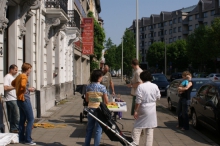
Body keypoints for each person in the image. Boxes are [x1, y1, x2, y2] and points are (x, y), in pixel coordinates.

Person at [132, 70, 161, 146]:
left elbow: (138, 100)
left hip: (143, 107)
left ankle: (134, 144)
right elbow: (158, 97)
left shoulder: (141, 87)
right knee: (149, 130)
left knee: (137, 128)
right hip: (152, 108)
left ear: (142, 78)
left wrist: (135, 111)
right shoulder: (155, 86)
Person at [11, 63, 36, 145]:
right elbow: (22, 86)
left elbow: (13, 83)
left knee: (22, 119)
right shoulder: (24, 76)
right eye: (30, 69)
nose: (31, 70)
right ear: (27, 69)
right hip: (24, 99)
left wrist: (22, 89)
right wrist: (28, 89)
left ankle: (21, 138)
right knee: (31, 119)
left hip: (19, 100)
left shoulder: (19, 76)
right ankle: (28, 139)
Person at [84, 70, 108, 146]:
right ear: (98, 77)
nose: (102, 78)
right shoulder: (102, 87)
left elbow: (87, 100)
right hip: (99, 110)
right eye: (101, 76)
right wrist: (100, 100)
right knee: (98, 130)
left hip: (90, 109)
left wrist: (93, 99)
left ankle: (86, 144)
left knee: (89, 129)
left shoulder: (88, 87)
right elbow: (106, 101)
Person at [3, 64, 19, 133]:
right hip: (10, 99)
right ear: (11, 69)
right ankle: (14, 128)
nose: (16, 71)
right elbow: (5, 87)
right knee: (16, 114)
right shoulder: (7, 77)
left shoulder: (12, 77)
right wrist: (15, 86)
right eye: (15, 70)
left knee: (14, 114)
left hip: (14, 98)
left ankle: (14, 128)